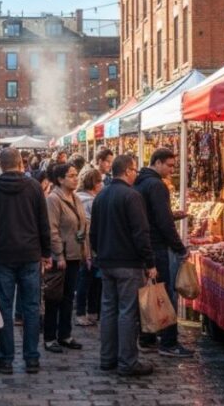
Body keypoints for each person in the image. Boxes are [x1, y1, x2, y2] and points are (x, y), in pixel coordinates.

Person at [0, 148, 52, 375]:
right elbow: (44, 221)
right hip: (30, 253)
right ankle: (31, 358)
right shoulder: (33, 186)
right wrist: (47, 252)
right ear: (21, 164)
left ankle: (5, 359)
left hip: (3, 254)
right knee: (31, 307)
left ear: (1, 165)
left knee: (4, 307)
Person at [89, 155, 156, 377]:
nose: (136, 174)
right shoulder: (131, 196)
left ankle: (107, 358)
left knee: (109, 310)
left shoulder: (101, 196)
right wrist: (149, 262)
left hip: (107, 262)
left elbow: (94, 233)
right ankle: (127, 361)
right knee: (127, 312)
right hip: (128, 263)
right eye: (134, 170)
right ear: (127, 171)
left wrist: (100, 254)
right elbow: (141, 233)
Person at [134, 148, 193, 358]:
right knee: (166, 294)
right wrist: (179, 247)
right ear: (157, 162)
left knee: (151, 292)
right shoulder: (156, 185)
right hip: (157, 246)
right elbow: (163, 221)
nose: (171, 169)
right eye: (169, 165)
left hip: (145, 244)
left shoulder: (139, 182)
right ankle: (169, 342)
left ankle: (148, 337)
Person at [43, 164, 88, 353]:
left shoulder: (76, 198)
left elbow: (81, 225)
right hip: (60, 257)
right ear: (60, 179)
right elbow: (52, 229)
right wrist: (58, 254)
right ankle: (50, 337)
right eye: (71, 175)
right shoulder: (53, 199)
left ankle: (65, 334)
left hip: (74, 255)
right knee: (54, 297)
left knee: (69, 297)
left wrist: (85, 251)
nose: (75, 178)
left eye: (76, 175)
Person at [74, 167, 103, 327]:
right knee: (89, 280)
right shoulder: (91, 201)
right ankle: (85, 312)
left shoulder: (76, 197)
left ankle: (88, 312)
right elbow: (91, 227)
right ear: (94, 183)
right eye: (100, 182)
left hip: (77, 245)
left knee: (86, 279)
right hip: (89, 246)